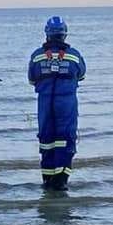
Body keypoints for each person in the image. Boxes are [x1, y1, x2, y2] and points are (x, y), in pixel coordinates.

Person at [27, 16, 86, 190]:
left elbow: (31, 79)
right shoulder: (74, 56)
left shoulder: (37, 56)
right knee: (66, 140)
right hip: (66, 103)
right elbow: (81, 75)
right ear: (64, 34)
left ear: (47, 34)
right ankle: (61, 182)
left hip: (45, 104)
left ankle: (47, 182)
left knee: (46, 140)